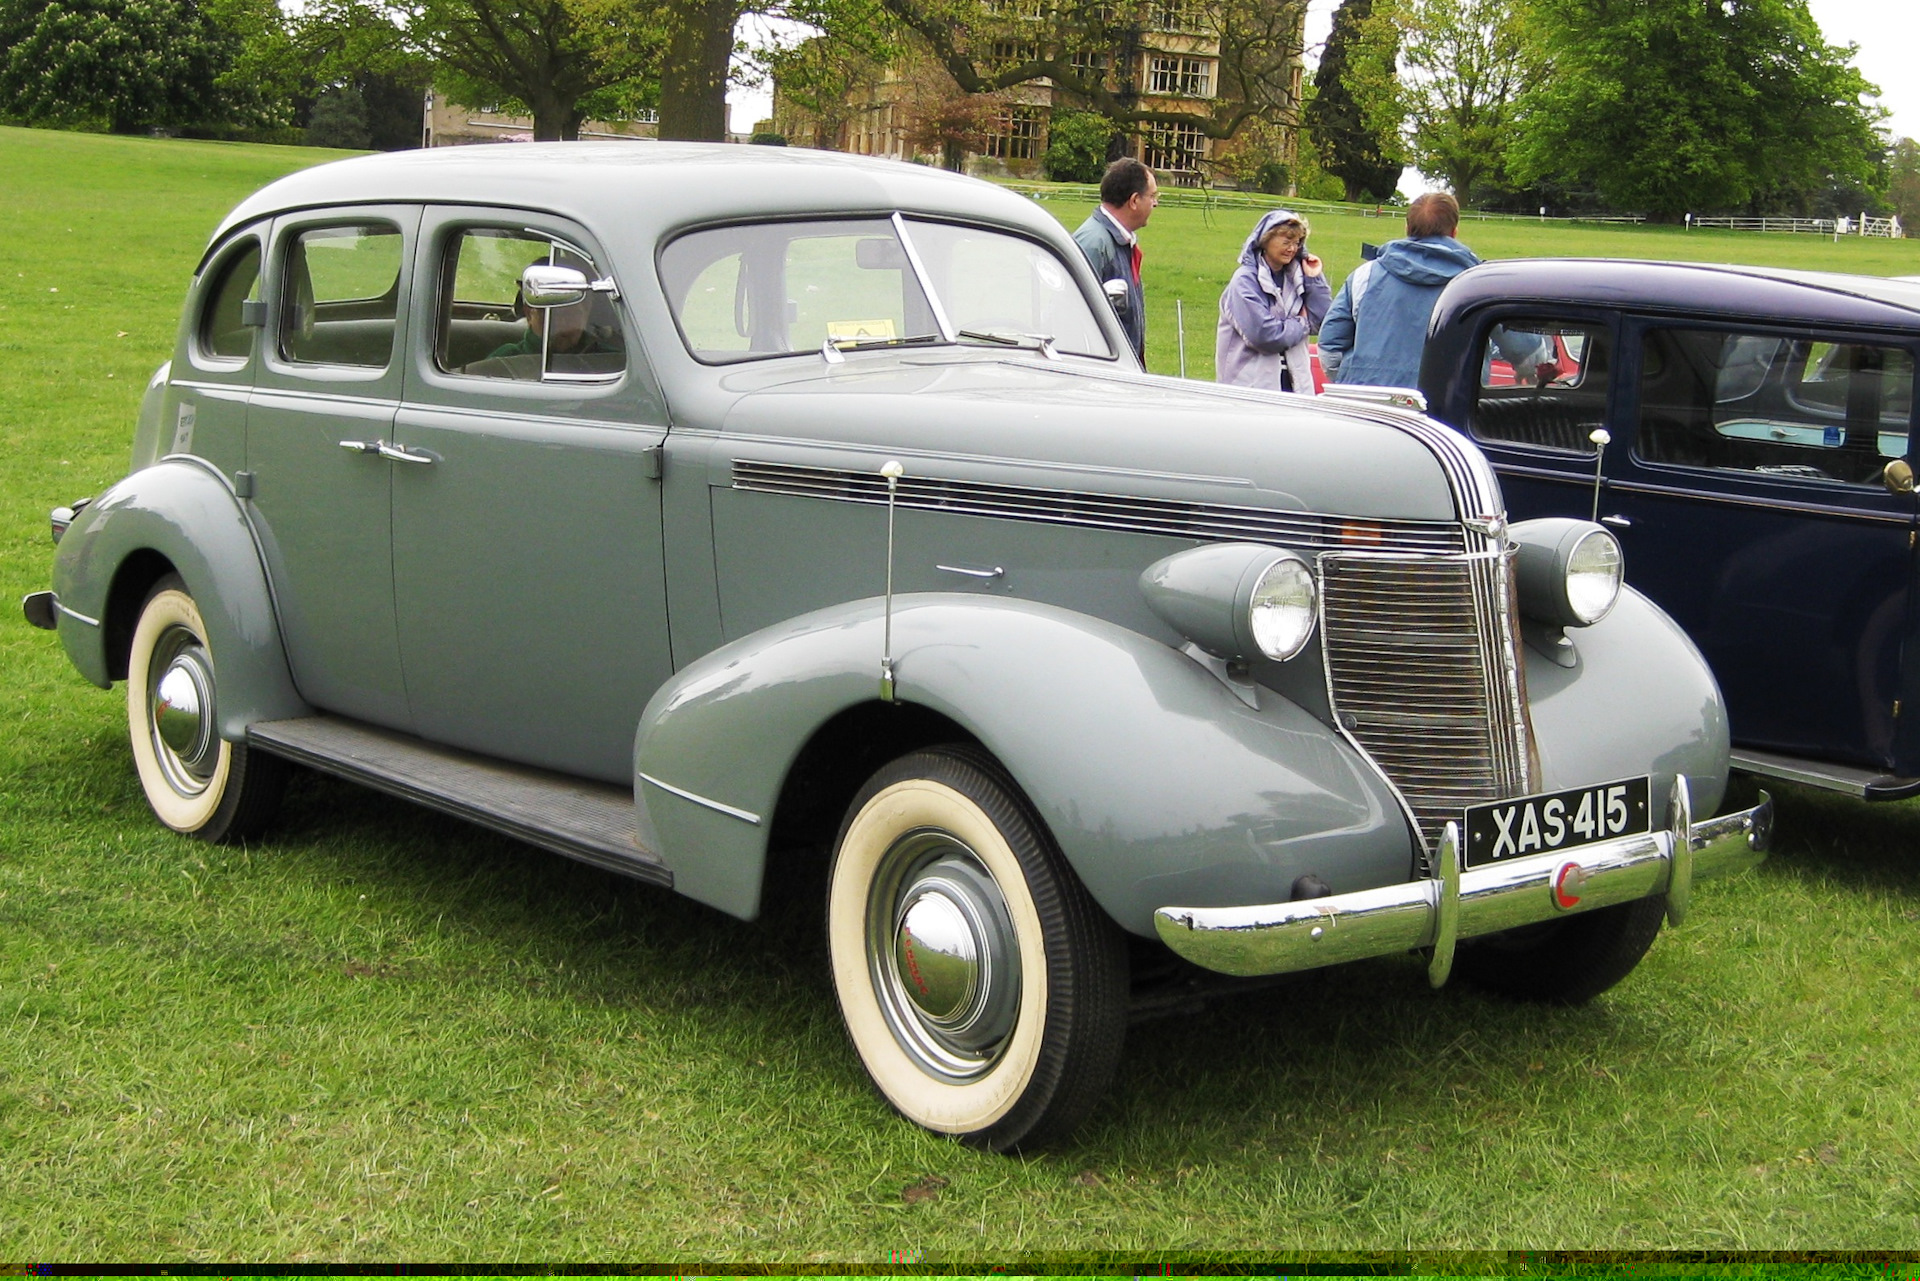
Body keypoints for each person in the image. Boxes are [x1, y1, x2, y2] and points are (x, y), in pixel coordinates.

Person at [1319, 191, 1552, 390]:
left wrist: (1356, 379)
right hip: (1448, 408)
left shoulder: (1364, 276)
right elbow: (1527, 353)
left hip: (1372, 409)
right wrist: (1535, 370)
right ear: (1454, 232)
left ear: (1407, 228)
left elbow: (1330, 349)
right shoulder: (1481, 284)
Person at [1214, 210, 1330, 393]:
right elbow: (1265, 336)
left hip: (1296, 386)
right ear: (1266, 241)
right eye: (1286, 242)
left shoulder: (1298, 276)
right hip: (1251, 390)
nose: (1292, 248)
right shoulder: (1244, 282)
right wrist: (1301, 324)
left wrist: (1314, 279)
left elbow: (1322, 320)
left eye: (1296, 242)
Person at [1072, 158, 1158, 362]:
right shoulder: (1093, 243)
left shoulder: (1119, 241)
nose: (1156, 203)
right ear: (1134, 201)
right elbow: (1074, 318)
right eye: (1152, 196)